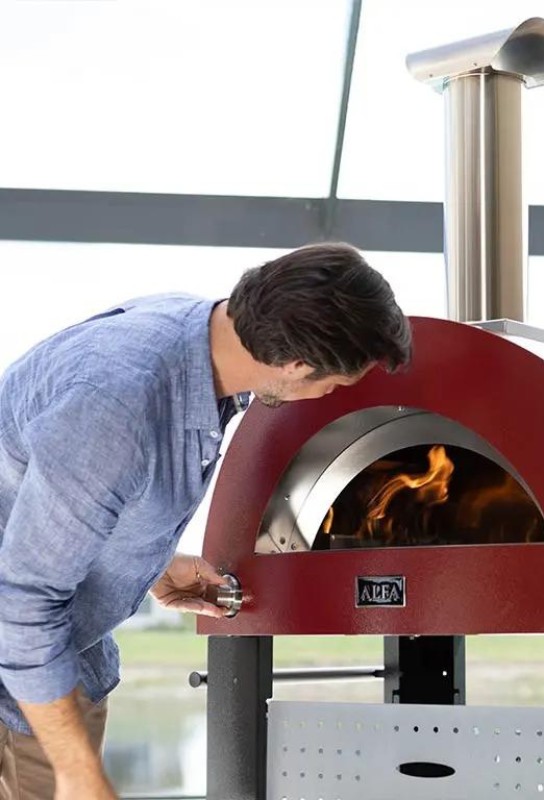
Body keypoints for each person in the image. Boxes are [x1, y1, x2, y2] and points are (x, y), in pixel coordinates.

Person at [0, 242, 411, 800]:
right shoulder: (116, 406)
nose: (326, 397)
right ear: (292, 364)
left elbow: (51, 500)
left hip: (63, 659)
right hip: (21, 671)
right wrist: (75, 769)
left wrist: (146, 564)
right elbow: (21, 605)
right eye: (332, 385)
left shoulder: (199, 336)